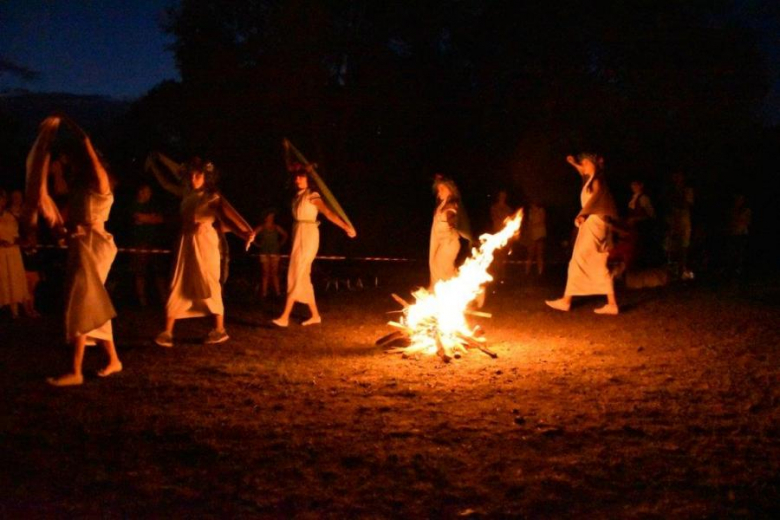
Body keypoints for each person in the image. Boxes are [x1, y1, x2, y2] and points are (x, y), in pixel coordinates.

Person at [25, 115, 122, 385]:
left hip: (97, 244)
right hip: (81, 242)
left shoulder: (100, 181)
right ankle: (113, 360)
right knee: (90, 301)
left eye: (72, 159)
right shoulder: (79, 189)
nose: (70, 163)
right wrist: (46, 159)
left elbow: (87, 146)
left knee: (81, 301)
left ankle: (76, 371)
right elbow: (58, 203)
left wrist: (67, 121)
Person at [146, 152, 255, 347]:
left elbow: (226, 218)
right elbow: (170, 178)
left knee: (209, 282)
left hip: (205, 243)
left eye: (198, 175)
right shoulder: (188, 194)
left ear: (206, 178)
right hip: (185, 243)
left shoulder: (211, 197)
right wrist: (158, 162)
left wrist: (244, 232)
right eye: (192, 175)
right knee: (178, 282)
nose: (193, 178)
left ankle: (219, 330)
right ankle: (167, 332)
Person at [272, 160, 356, 327]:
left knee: (296, 273)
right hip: (298, 234)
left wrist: (346, 227)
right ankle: (315, 315)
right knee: (302, 275)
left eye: (302, 177)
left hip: (308, 235)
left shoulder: (312, 195)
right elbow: (289, 164)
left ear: (309, 179)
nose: (298, 180)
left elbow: (328, 213)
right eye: (296, 177)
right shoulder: (297, 197)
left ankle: (285, 316)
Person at [546, 153, 619, 314]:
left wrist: (583, 214)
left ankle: (566, 301)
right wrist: (573, 163)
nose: (583, 166)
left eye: (585, 163)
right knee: (597, 262)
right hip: (591, 223)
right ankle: (611, 304)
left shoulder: (597, 182)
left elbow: (596, 201)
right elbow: (582, 171)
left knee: (578, 260)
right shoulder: (590, 180)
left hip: (594, 224)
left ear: (593, 164)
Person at [429, 174, 471, 289]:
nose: (439, 192)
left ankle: (469, 291)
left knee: (442, 272)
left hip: (449, 244)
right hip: (443, 243)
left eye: (442, 189)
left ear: (450, 189)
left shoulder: (451, 205)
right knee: (437, 269)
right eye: (438, 190)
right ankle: (436, 296)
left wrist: (450, 220)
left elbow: (452, 216)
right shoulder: (442, 204)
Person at [129, 184, 168, 307]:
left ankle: (164, 299)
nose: (147, 194)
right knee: (140, 272)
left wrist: (148, 218)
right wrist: (151, 218)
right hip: (140, 242)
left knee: (159, 271)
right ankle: (142, 301)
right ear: (139, 192)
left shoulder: (153, 205)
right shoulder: (133, 205)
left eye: (149, 192)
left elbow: (161, 219)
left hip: (155, 242)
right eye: (145, 191)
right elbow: (137, 217)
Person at [0, 189, 29, 319]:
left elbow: (15, 233)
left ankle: (14, 310)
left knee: (13, 280)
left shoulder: (10, 216)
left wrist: (19, 241)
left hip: (11, 252)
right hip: (1, 252)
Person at [253, 209, 288, 298]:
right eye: (270, 216)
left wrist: (280, 244)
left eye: (272, 217)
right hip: (264, 252)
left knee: (275, 273)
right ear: (265, 218)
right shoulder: (261, 227)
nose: (271, 218)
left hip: (274, 252)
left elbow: (285, 234)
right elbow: (252, 235)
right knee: (265, 273)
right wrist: (256, 244)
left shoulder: (276, 227)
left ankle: (278, 293)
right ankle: (264, 293)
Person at [666, 172, 694, 280]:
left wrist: (677, 202)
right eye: (675, 176)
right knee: (673, 245)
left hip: (683, 220)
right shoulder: (670, 191)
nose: (677, 178)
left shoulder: (687, 190)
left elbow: (687, 204)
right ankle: (673, 270)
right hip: (674, 220)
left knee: (683, 246)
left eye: (679, 176)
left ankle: (682, 270)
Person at [490, 190, 513, 281]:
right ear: (498, 196)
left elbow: (511, 221)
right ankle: (495, 273)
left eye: (504, 195)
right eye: (501, 195)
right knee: (496, 254)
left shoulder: (508, 209)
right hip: (496, 233)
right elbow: (494, 218)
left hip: (505, 234)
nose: (502, 197)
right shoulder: (494, 208)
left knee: (503, 255)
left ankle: (503, 274)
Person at [726, 194, 751, 279]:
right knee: (733, 252)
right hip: (734, 233)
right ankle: (733, 269)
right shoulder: (732, 211)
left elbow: (747, 221)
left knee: (741, 252)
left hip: (742, 233)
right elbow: (731, 222)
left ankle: (739, 269)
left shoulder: (746, 211)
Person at [525, 201, 547, 276]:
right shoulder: (530, 211)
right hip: (532, 235)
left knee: (539, 254)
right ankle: (527, 273)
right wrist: (529, 232)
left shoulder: (541, 210)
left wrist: (534, 224)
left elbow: (541, 220)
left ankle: (540, 273)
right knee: (530, 254)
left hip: (540, 234)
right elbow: (529, 222)